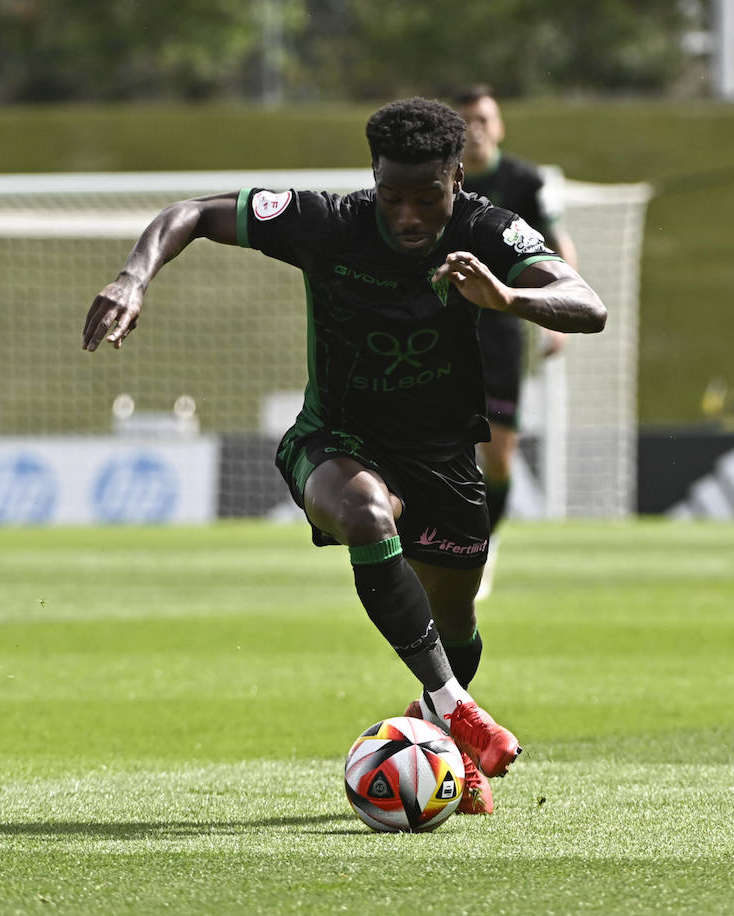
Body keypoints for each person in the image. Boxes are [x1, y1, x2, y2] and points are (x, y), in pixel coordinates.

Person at [82, 97, 606, 815]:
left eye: (427, 198)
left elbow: (587, 303)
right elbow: (190, 214)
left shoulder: (489, 227)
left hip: (444, 454)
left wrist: (509, 296)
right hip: (336, 438)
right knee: (365, 512)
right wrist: (134, 277)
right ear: (374, 179)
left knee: (453, 619)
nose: (409, 216)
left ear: (457, 179)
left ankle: (438, 725)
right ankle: (457, 707)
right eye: (393, 197)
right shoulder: (328, 222)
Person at [453, 85, 580, 599]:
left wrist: (557, 312)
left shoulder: (525, 180)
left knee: (498, 456)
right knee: (441, 448)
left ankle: (487, 543)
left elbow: (558, 245)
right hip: (439, 329)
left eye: (483, 117)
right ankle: (446, 549)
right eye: (465, 120)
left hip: (501, 333)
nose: (475, 128)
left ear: (499, 125)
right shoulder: (436, 180)